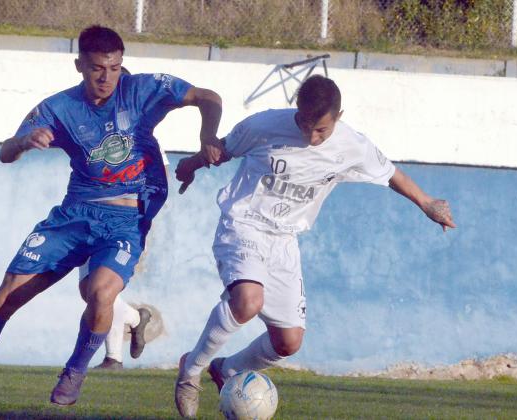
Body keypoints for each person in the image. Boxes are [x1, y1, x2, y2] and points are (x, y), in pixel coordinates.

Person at [0, 24, 222, 407]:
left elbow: (207, 97)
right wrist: (25, 143)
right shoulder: (59, 107)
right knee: (7, 295)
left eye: (114, 68)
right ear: (80, 64)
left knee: (99, 293)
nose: (106, 77)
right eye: (97, 68)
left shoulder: (142, 89)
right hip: (74, 217)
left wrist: (207, 138)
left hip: (125, 222)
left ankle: (75, 372)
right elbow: (5, 152)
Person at [172, 75, 456, 418]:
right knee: (247, 302)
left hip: (285, 240)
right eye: (305, 124)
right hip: (244, 224)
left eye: (321, 129)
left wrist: (426, 203)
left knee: (287, 343)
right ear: (297, 110)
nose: (311, 136)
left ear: (338, 116)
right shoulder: (264, 125)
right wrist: (190, 164)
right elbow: (221, 151)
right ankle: (191, 372)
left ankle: (226, 369)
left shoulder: (352, 145)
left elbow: (390, 173)